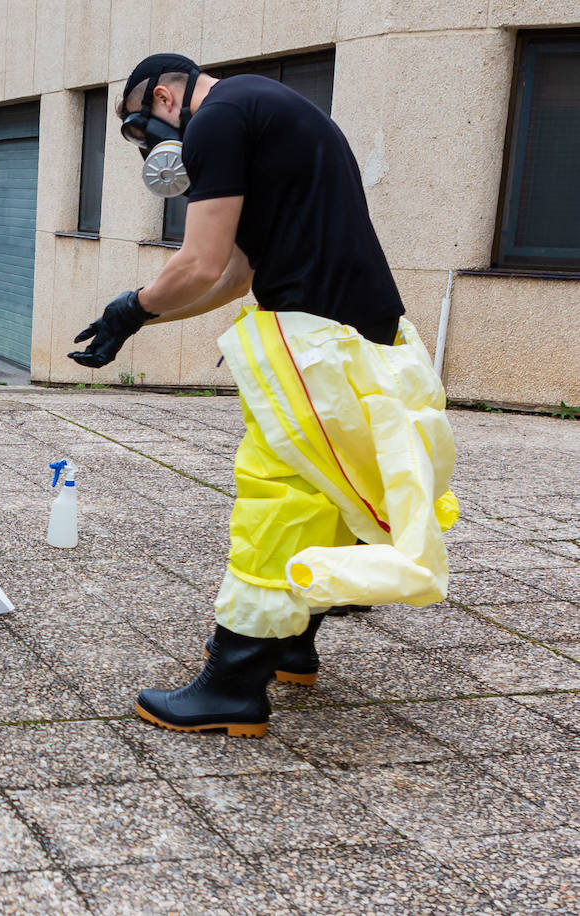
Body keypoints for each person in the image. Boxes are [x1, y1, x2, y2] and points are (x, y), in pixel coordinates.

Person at [71, 54, 458, 738]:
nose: (156, 148)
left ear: (164, 95)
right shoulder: (268, 106)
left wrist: (130, 307)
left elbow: (199, 261)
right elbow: (235, 275)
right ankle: (293, 645)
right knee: (322, 490)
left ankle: (234, 683)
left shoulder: (215, 118)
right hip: (369, 333)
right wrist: (139, 321)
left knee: (275, 500)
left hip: (314, 336)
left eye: (142, 128)